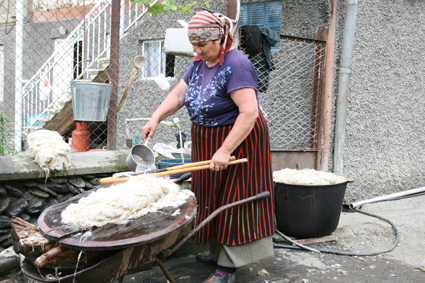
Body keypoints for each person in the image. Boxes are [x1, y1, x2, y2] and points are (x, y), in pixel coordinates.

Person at [142, 10, 275, 283]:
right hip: (207, 138)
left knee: (233, 200)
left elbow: (248, 112)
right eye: (194, 45)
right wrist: (155, 116)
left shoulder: (237, 64)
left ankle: (228, 267)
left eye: (203, 45)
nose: (198, 50)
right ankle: (218, 254)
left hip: (239, 141)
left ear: (220, 38)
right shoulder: (200, 62)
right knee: (210, 196)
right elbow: (179, 94)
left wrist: (226, 150)